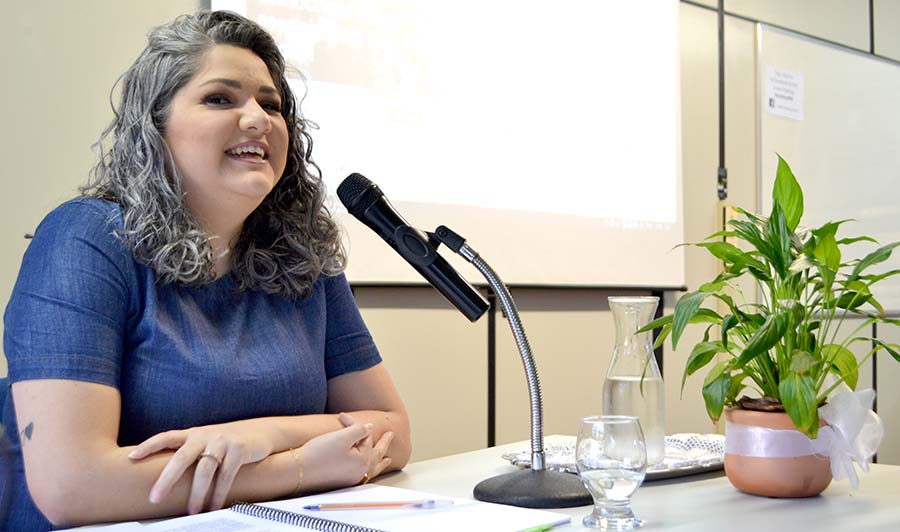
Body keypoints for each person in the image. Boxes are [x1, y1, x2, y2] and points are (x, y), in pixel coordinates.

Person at [1, 10, 411, 531]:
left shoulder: (302, 253)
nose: (259, 119)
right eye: (220, 98)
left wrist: (259, 437)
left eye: (271, 105)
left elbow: (394, 431)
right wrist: (299, 467)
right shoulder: (87, 239)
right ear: (154, 128)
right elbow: (73, 486)